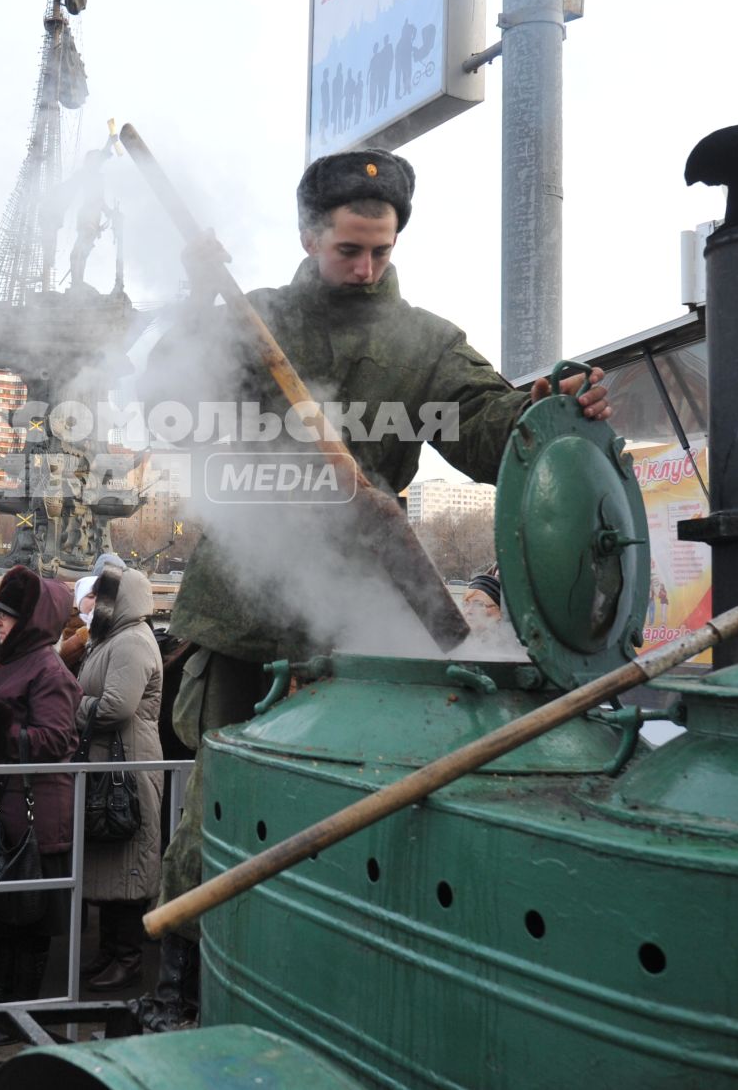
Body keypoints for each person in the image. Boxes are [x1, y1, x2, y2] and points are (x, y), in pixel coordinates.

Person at [135, 148, 614, 1031]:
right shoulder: (254, 318)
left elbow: (486, 423)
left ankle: (332, 979)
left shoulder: (423, 341)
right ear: (310, 234)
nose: (364, 268)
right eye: (348, 250)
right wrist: (202, 308)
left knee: (363, 805)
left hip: (364, 612)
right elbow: (166, 396)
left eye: (380, 252)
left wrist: (545, 405)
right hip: (245, 608)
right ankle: (180, 985)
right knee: (217, 801)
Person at [0, 564, 80, 1048]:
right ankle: (3, 1009)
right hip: (6, 805)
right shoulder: (10, 660)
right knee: (6, 916)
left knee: (28, 921)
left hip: (35, 813)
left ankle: (19, 1016)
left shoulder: (47, 668)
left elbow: (57, 738)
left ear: (30, 620)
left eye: (5, 615)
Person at [73, 566, 164, 993]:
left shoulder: (130, 642)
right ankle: (111, 951)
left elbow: (114, 708)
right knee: (112, 863)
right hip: (114, 763)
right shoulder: (113, 640)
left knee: (128, 862)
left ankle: (128, 959)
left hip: (129, 765)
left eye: (105, 596)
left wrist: (70, 707)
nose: (98, 604)